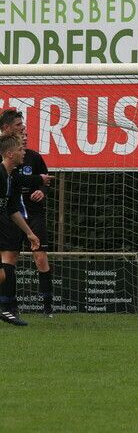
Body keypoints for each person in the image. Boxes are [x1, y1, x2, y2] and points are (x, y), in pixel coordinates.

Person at [0, 109, 55, 317]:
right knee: (8, 261)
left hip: (28, 215)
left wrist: (41, 185)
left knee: (37, 258)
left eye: (24, 130)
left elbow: (27, 182)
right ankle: (8, 308)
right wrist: (38, 180)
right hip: (7, 217)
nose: (23, 132)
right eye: (19, 128)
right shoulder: (5, 167)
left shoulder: (30, 159)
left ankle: (42, 308)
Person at [0, 134, 41, 326]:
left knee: (2, 274)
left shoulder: (10, 177)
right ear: (9, 153)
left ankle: (6, 309)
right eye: (20, 149)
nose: (23, 152)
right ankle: (6, 309)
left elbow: (12, 210)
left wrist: (30, 233)